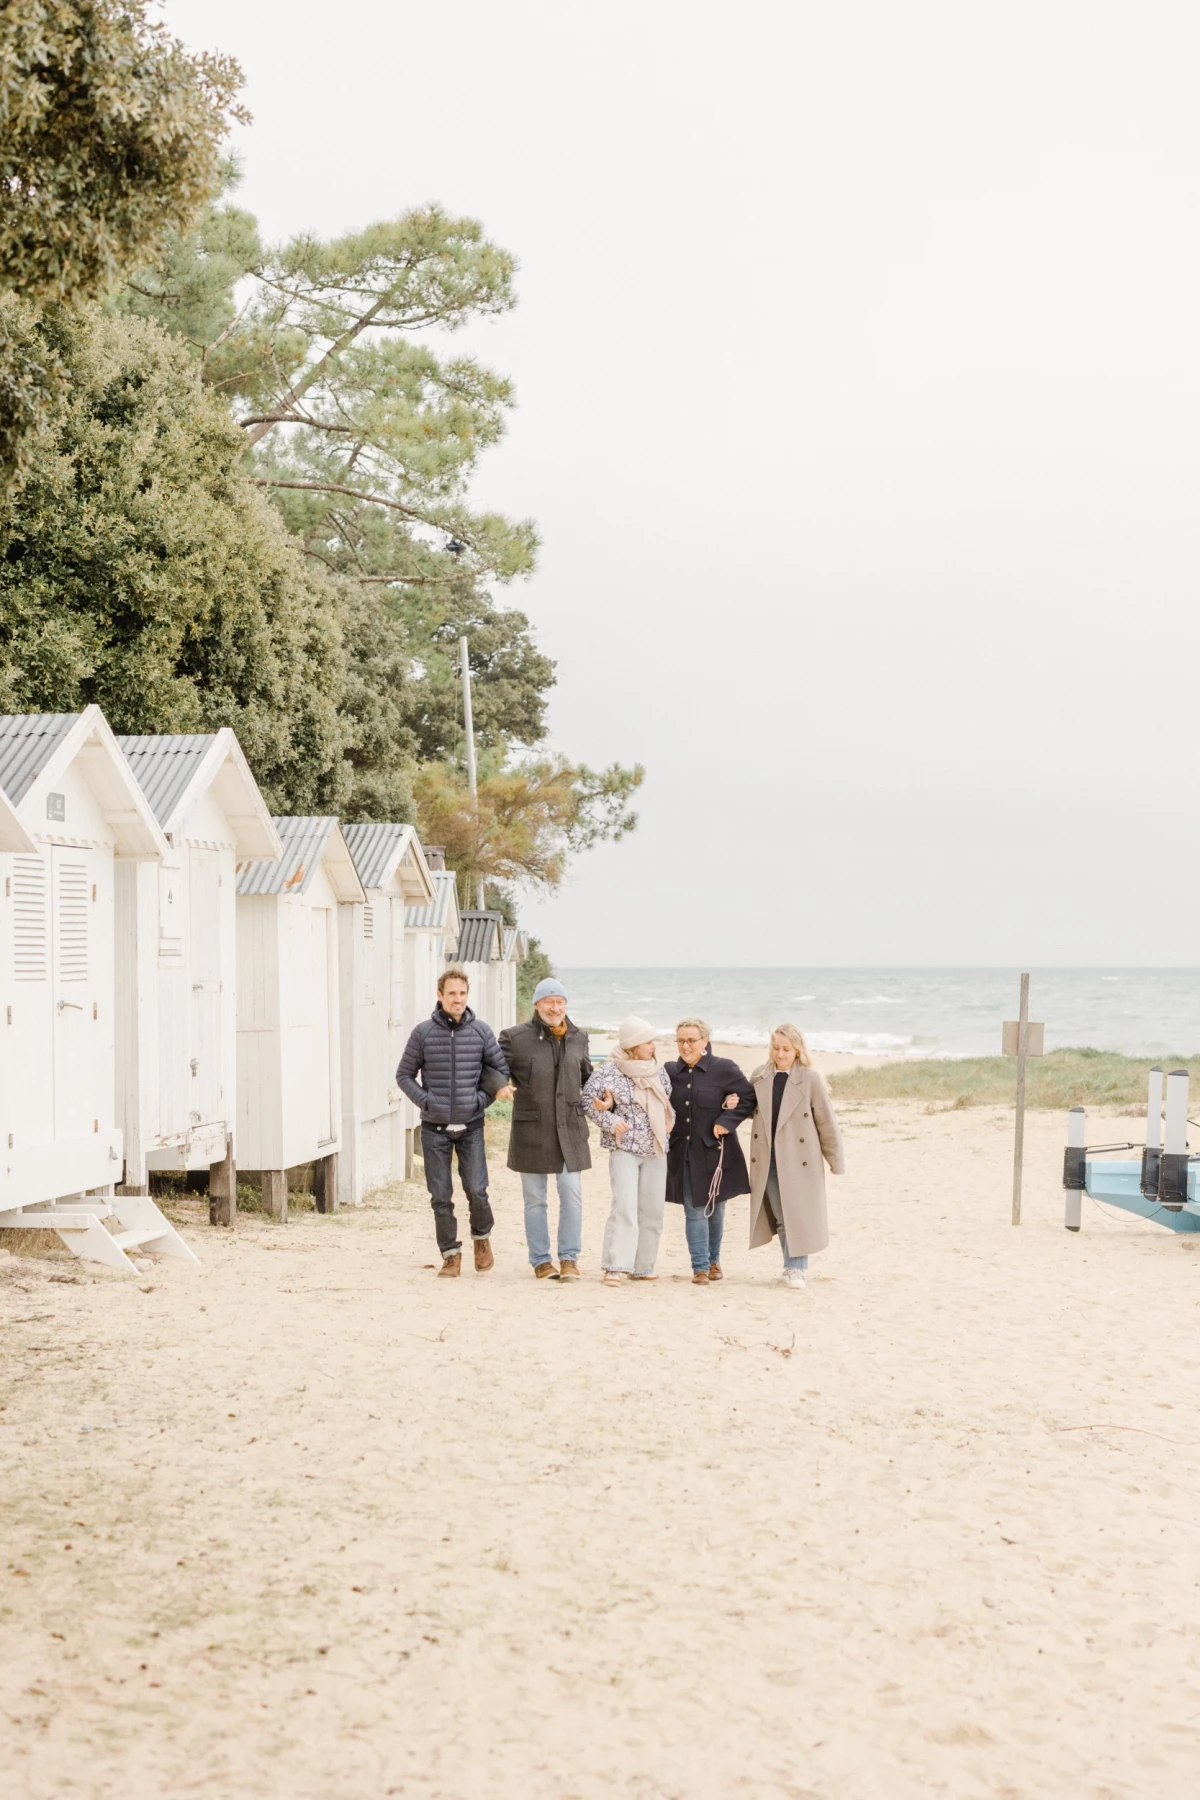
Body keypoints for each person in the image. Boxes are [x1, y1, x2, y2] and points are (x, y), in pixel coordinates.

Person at [396, 966, 509, 1278]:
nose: (457, 1000)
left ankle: (482, 1239)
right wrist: (427, 1101)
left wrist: (479, 1102)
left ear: (467, 995)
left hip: (471, 1126)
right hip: (434, 1129)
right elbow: (404, 1075)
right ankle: (450, 1254)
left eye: (462, 994)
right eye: (451, 994)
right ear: (439, 996)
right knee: (441, 1195)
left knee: (477, 1190)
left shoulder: (482, 1032)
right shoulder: (423, 1033)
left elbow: (499, 1075)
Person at [498, 977, 592, 1282]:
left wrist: (608, 1100)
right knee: (535, 1198)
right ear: (537, 1005)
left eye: (560, 1001)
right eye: (549, 1001)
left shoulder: (579, 1037)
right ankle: (541, 1260)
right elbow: (493, 1070)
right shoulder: (514, 1038)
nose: (555, 1007)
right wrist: (498, 1086)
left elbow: (589, 1079)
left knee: (571, 1193)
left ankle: (569, 1259)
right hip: (532, 1128)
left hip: (570, 1128)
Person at [747, 1023, 844, 1289]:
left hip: (800, 1159)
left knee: (797, 1215)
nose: (780, 1054)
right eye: (776, 1048)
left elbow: (826, 1122)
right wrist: (730, 1103)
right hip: (769, 1159)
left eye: (786, 1049)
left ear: (797, 1049)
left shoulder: (810, 1079)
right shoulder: (760, 1075)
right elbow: (748, 1108)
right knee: (780, 1216)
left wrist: (835, 1160)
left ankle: (796, 1269)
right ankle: (792, 1266)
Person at [583, 1015, 675, 1287]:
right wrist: (610, 1120)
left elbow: (666, 1102)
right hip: (624, 1148)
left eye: (653, 1040)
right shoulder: (609, 1072)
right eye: (647, 1041)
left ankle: (644, 1265)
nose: (652, 1046)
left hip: (656, 1149)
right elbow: (588, 1101)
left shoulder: (659, 1070)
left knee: (653, 1209)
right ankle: (615, 1266)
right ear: (633, 1045)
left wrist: (669, 1124)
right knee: (624, 1206)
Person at [665, 1018, 756, 1285]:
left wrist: (725, 1120)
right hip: (683, 1153)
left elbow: (748, 1098)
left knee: (716, 1210)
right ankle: (700, 1267)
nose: (685, 1045)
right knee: (695, 1209)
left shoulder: (724, 1068)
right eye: (681, 1040)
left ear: (705, 1041)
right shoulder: (669, 1071)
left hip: (717, 1153)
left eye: (691, 1040)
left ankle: (714, 1260)